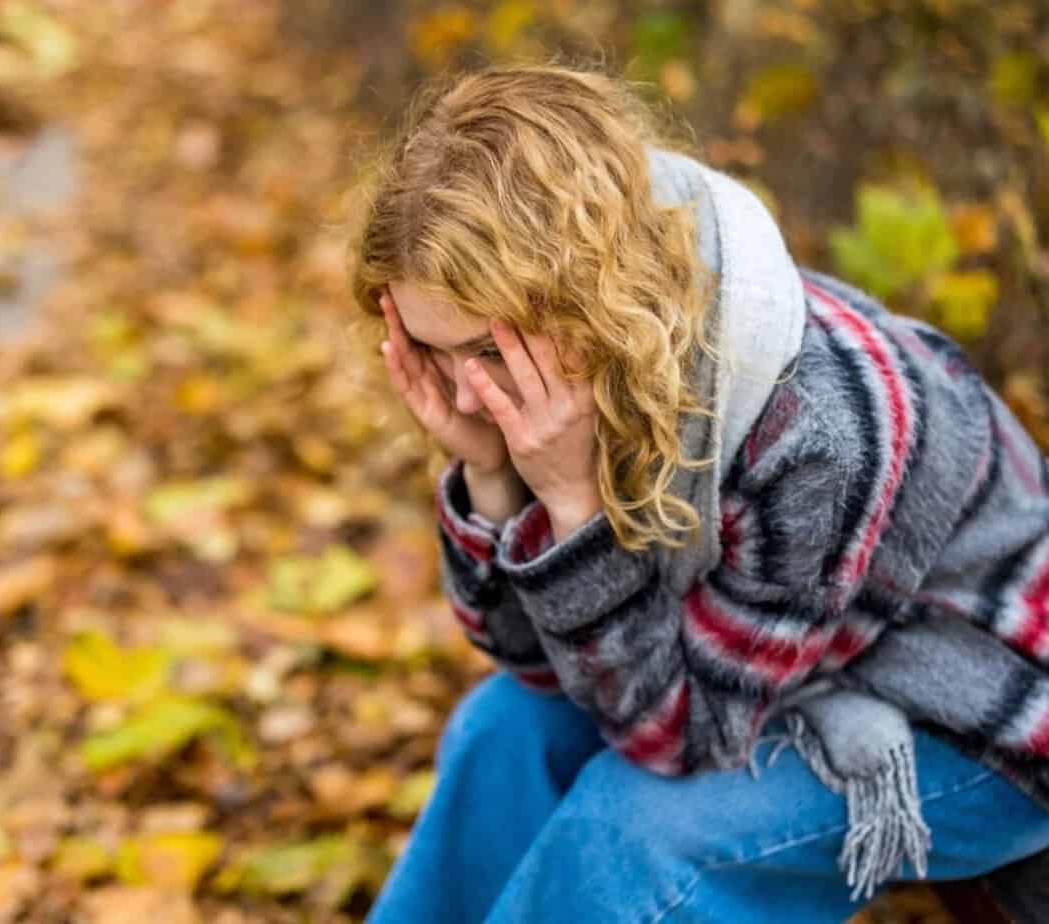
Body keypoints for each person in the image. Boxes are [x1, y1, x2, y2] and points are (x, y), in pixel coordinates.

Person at [346, 63, 1049, 924]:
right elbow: (535, 664)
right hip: (774, 667)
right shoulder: (581, 372)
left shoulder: (813, 424)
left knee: (639, 832)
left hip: (973, 704)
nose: (462, 395)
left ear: (588, 295)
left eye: (485, 352)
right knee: (504, 734)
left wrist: (572, 509)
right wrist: (493, 478)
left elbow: (680, 738)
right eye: (432, 351)